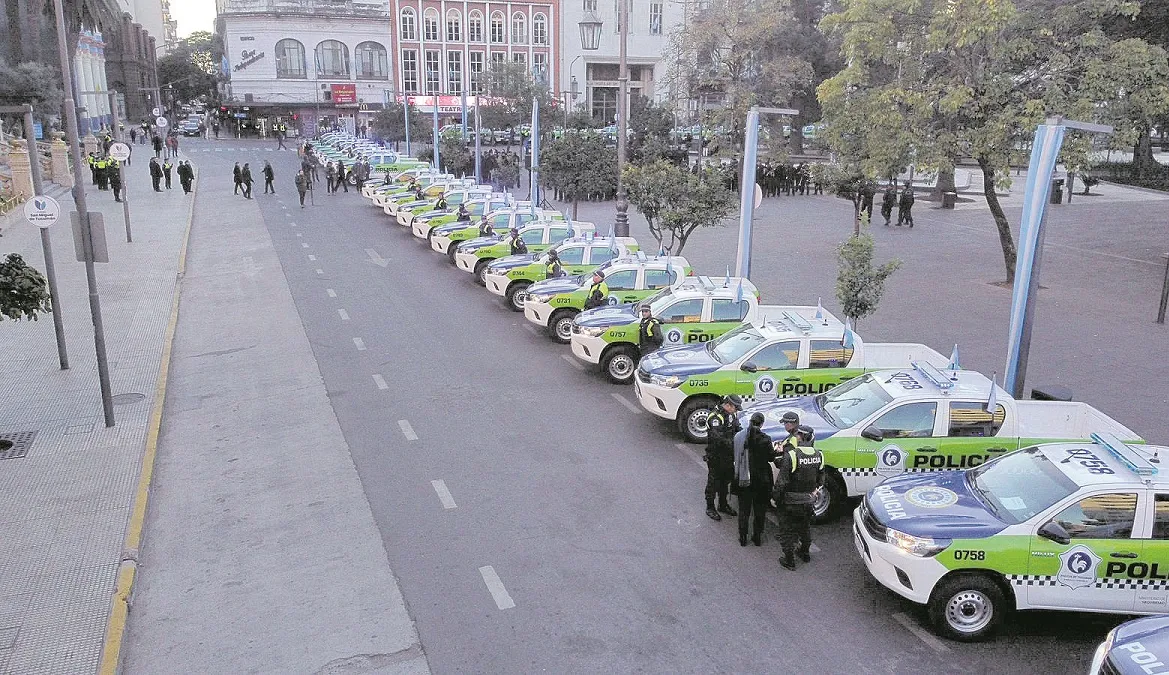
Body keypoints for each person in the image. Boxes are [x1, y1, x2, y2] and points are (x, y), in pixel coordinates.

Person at [774, 424, 823, 570]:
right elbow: (821, 480)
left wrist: (777, 498)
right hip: (808, 501)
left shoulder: (792, 455)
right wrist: (813, 493)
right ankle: (805, 553)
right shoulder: (819, 454)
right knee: (805, 528)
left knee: (787, 531)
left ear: (800, 437)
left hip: (790, 501)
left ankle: (789, 560)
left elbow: (781, 482)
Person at [734, 412, 777, 546]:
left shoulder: (740, 436)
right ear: (762, 424)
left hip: (744, 477)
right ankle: (757, 537)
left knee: (744, 510)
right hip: (761, 480)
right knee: (760, 510)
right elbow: (771, 458)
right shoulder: (766, 439)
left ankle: (742, 537)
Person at [704, 395, 742, 520]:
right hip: (716, 455)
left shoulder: (732, 414)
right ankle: (710, 507)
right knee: (713, 482)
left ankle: (723, 504)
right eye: (735, 408)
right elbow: (718, 438)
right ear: (728, 405)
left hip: (728, 455)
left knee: (726, 481)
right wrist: (734, 443)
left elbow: (737, 428)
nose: (736, 411)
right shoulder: (715, 417)